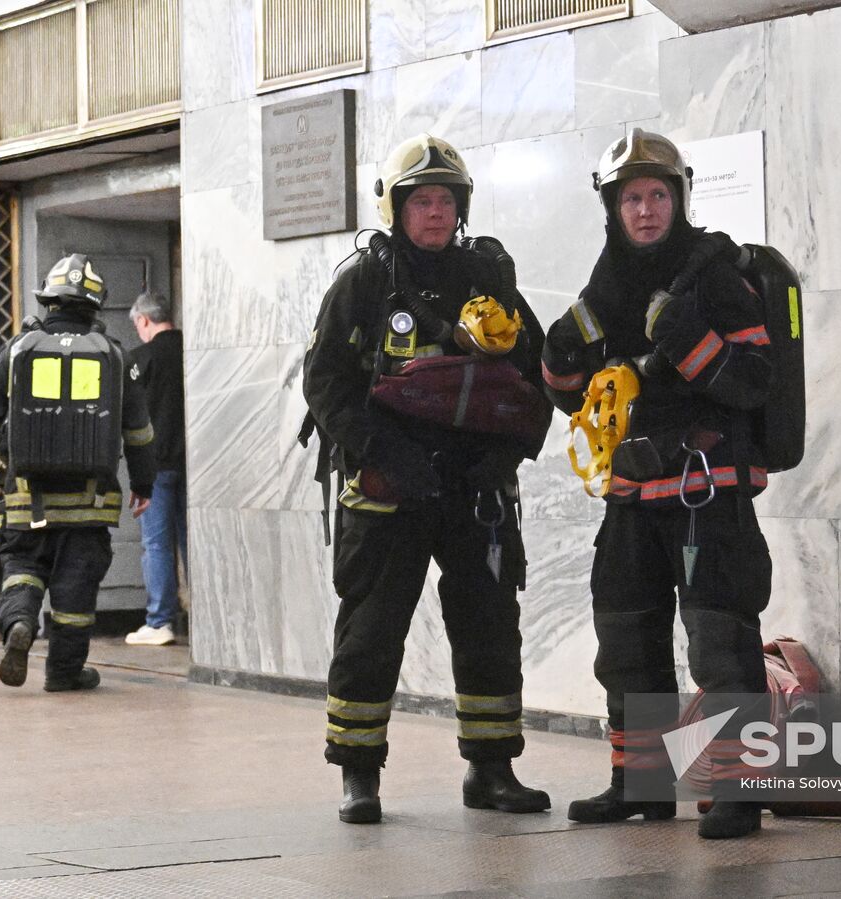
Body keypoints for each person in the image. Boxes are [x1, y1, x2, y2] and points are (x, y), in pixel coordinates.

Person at [302, 133, 554, 824]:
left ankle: (492, 767)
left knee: (490, 626)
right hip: (389, 487)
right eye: (422, 200)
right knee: (371, 630)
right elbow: (323, 383)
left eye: (446, 199)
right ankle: (359, 773)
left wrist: (502, 458)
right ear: (396, 207)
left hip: (476, 489)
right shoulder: (364, 283)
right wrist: (381, 452)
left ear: (461, 207)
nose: (436, 212)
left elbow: (537, 376)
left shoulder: (489, 278)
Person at [541, 128, 774, 840]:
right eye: (632, 198)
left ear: (679, 198)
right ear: (613, 207)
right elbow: (569, 390)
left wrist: (689, 338)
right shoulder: (607, 282)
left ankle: (738, 791)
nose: (644, 210)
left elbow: (755, 381)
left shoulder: (718, 275)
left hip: (709, 488)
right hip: (632, 492)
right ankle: (640, 783)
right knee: (626, 637)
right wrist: (557, 360)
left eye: (657, 196)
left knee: (720, 640)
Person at [0, 253, 156, 692]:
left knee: (23, 568)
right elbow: (139, 432)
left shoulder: (17, 350)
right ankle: (64, 673)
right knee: (75, 591)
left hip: (28, 499)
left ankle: (19, 626)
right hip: (90, 503)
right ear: (94, 304)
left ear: (49, 301)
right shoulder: (114, 356)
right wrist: (144, 486)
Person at [123, 292, 187, 647]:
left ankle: (160, 620)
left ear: (144, 320)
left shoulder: (140, 358)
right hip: (193, 464)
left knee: (157, 544)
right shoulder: (191, 351)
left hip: (157, 465)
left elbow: (132, 416)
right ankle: (206, 617)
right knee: (192, 542)